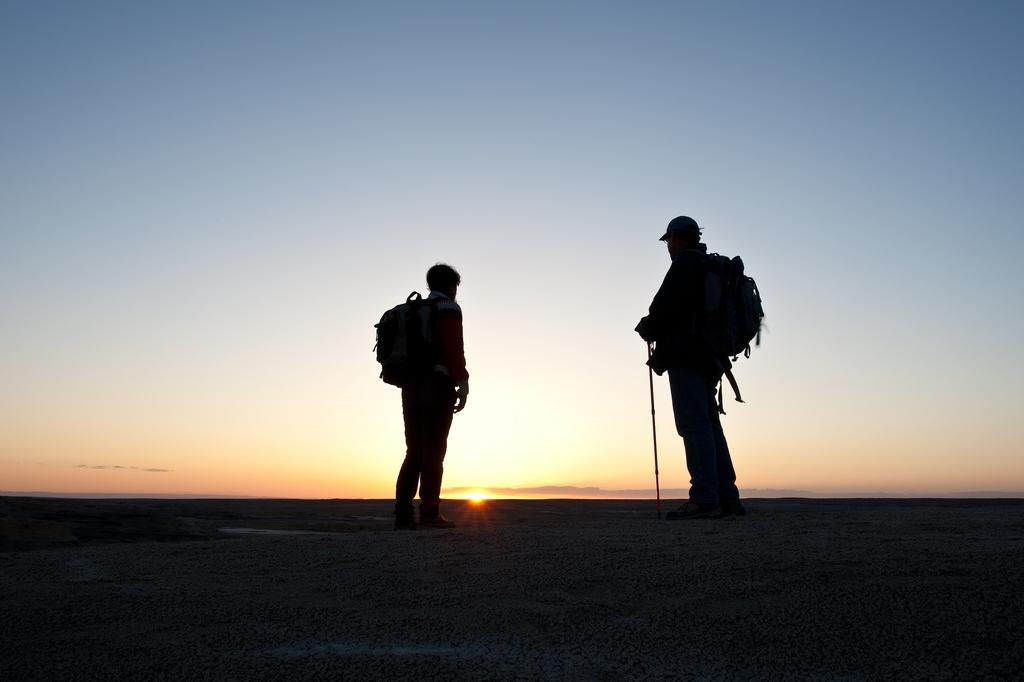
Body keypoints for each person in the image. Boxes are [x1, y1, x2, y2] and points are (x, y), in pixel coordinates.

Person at [635, 216, 745, 519]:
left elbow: (664, 307)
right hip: (712, 358)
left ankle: (705, 499)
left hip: (687, 356)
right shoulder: (709, 265)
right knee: (709, 425)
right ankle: (727, 498)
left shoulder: (685, 265)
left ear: (675, 237)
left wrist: (647, 327)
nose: (668, 246)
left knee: (694, 425)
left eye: (668, 240)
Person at [394, 263, 469, 530]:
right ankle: (429, 513)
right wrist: (463, 382)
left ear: (429, 285)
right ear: (452, 285)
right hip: (438, 385)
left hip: (410, 386)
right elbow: (453, 348)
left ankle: (403, 514)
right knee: (434, 451)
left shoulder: (416, 310)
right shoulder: (449, 308)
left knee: (413, 451)